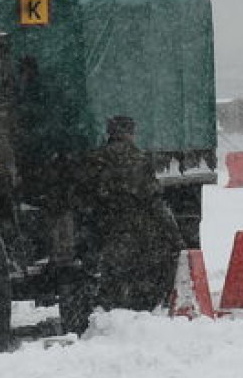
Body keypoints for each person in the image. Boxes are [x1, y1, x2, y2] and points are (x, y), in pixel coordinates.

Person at [77, 115, 184, 314]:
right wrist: (175, 237)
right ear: (129, 134)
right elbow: (153, 198)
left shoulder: (95, 159)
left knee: (111, 277)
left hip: (106, 229)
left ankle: (108, 310)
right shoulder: (138, 159)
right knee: (146, 270)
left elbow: (85, 197)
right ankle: (140, 309)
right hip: (135, 229)